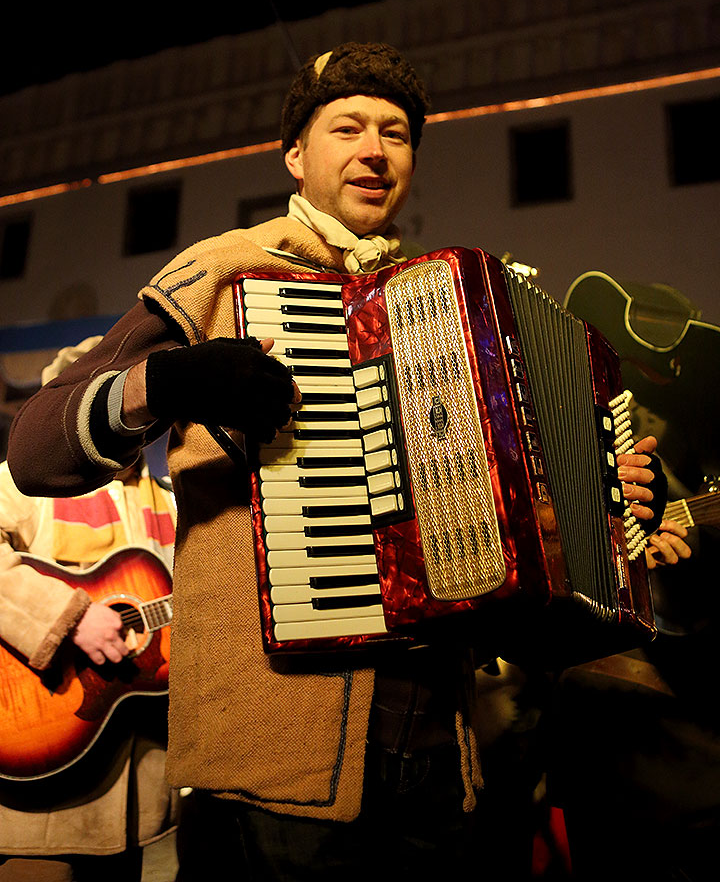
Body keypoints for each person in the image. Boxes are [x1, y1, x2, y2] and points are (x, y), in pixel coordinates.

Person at [6, 43, 665, 879]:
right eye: (347, 126)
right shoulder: (223, 269)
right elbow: (36, 449)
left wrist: (596, 511)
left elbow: (503, 557)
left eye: (395, 132)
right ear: (295, 154)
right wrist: (167, 380)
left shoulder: (449, 306)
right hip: (270, 767)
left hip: (440, 765)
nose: (374, 149)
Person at [0, 339, 177, 882]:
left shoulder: (172, 497)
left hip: (140, 789)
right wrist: (68, 615)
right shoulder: (22, 481)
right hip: (42, 789)